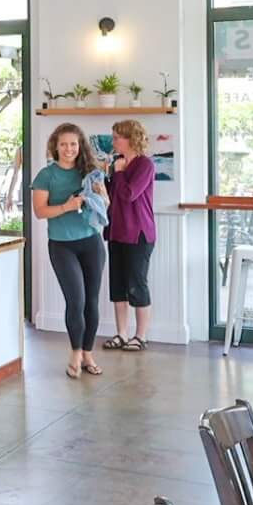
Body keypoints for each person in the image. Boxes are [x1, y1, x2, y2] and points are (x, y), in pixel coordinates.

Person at [29, 123, 108, 378]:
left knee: (92, 302)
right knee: (76, 301)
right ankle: (75, 352)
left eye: (73, 144)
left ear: (79, 146)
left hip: (91, 243)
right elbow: (40, 212)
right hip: (62, 246)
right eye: (63, 144)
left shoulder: (91, 171)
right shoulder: (45, 175)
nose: (69, 149)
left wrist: (99, 195)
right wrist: (66, 206)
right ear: (55, 146)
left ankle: (88, 353)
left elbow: (106, 202)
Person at [99, 119, 158, 352]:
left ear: (130, 139)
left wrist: (120, 173)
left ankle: (140, 336)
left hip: (138, 234)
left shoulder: (145, 165)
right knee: (118, 286)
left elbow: (129, 194)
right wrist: (106, 178)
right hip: (116, 232)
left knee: (137, 285)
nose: (113, 142)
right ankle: (121, 334)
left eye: (116, 137)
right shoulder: (117, 164)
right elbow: (113, 196)